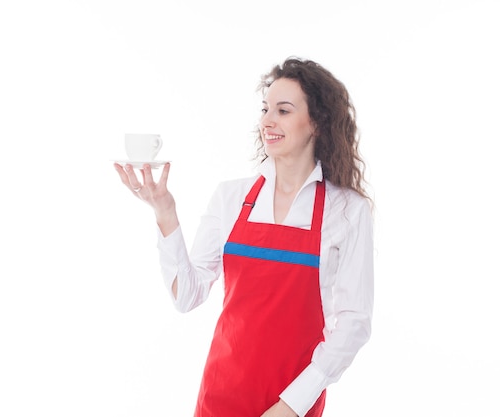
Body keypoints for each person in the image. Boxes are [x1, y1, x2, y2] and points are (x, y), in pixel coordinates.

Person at [113, 57, 374, 417]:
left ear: (317, 122)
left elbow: (354, 323)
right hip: (220, 395)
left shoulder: (346, 210)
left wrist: (292, 404)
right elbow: (187, 296)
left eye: (283, 110)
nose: (267, 120)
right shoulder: (231, 197)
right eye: (265, 109)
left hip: (293, 403)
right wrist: (165, 212)